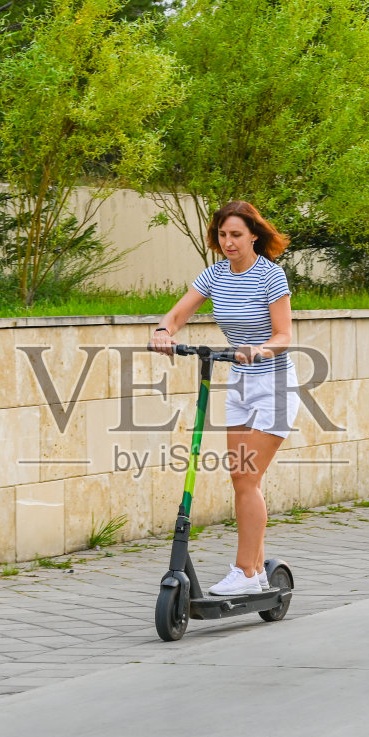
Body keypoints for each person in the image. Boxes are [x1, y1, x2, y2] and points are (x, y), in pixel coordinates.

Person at [150, 200, 297, 597]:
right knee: (242, 480)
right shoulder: (215, 274)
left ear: (254, 235)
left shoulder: (271, 275)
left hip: (274, 386)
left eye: (236, 234)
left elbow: (284, 335)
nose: (228, 242)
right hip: (239, 384)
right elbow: (178, 314)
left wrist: (260, 350)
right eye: (222, 235)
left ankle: (246, 571)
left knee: (246, 478)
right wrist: (163, 331)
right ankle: (257, 574)